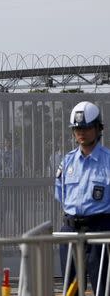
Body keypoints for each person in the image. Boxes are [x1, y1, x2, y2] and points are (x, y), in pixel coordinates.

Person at [55, 101, 110, 295]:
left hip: (100, 230)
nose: (81, 132)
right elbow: (60, 194)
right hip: (70, 230)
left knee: (103, 286)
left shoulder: (108, 161)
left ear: (98, 129)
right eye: (77, 128)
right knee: (70, 287)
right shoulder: (67, 161)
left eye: (86, 128)